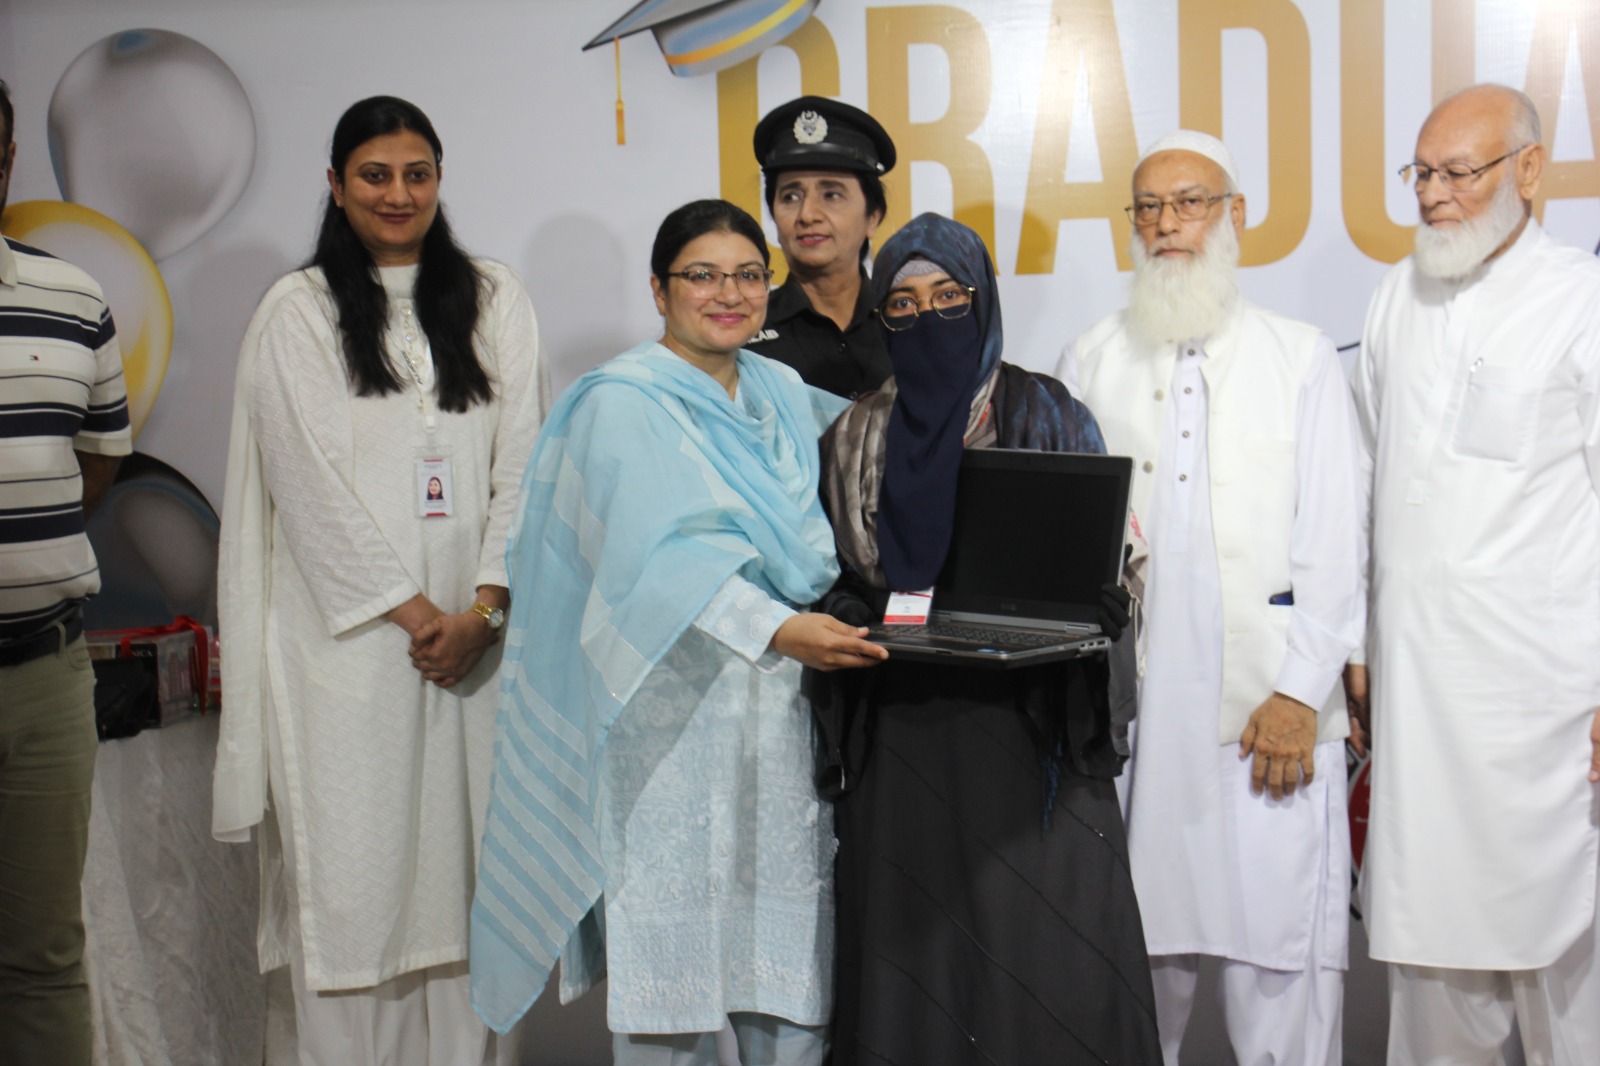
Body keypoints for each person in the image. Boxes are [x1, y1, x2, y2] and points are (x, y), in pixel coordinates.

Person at [470, 199, 885, 1065]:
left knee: (789, 985)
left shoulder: (780, 394)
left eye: (746, 274)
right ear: (660, 290)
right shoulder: (620, 404)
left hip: (777, 723)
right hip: (665, 726)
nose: (727, 293)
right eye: (702, 274)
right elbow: (657, 568)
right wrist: (781, 630)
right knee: (673, 995)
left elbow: (872, 460)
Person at [212, 95, 548, 1065]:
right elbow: (306, 492)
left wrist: (482, 609)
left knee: (473, 880)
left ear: (439, 181)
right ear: (334, 185)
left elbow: (524, 461)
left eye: (416, 173)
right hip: (349, 655)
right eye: (374, 174)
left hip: (479, 655)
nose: (397, 194)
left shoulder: (494, 298)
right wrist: (419, 618)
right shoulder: (299, 312)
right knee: (357, 887)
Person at [816, 212, 1161, 1065]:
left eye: (948, 296)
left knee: (1051, 955)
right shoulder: (855, 432)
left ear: (984, 300)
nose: (927, 317)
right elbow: (824, 570)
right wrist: (851, 608)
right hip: (906, 730)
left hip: (1035, 733)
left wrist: (1105, 605)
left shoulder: (1050, 410)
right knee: (918, 963)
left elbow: (1119, 555)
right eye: (902, 303)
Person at [1059, 130, 1366, 1065]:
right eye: (1147, 207)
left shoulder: (1300, 355)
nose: (1166, 225)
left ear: (1235, 215)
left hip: (1269, 721)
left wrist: (1300, 693)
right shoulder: (1090, 358)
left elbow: (1337, 542)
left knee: (1282, 969)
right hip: (1139, 727)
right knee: (1136, 965)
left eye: (1189, 202)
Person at [1353, 83, 1600, 1064]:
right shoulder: (1393, 297)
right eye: (1420, 173)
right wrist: (1361, 647)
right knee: (1430, 981)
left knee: (1563, 987)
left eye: (1458, 173)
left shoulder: (1581, 301)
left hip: (1544, 718)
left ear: (1528, 172)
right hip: (1418, 715)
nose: (1432, 197)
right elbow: (1370, 486)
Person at [0, 76, 132, 1066]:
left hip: (46, 675)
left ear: (7, 160)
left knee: (45, 951)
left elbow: (95, 463)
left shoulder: (73, 297)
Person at [745, 95, 896, 398]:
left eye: (831, 194)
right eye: (790, 196)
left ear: (873, 217)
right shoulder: (744, 328)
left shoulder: (906, 323)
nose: (808, 215)